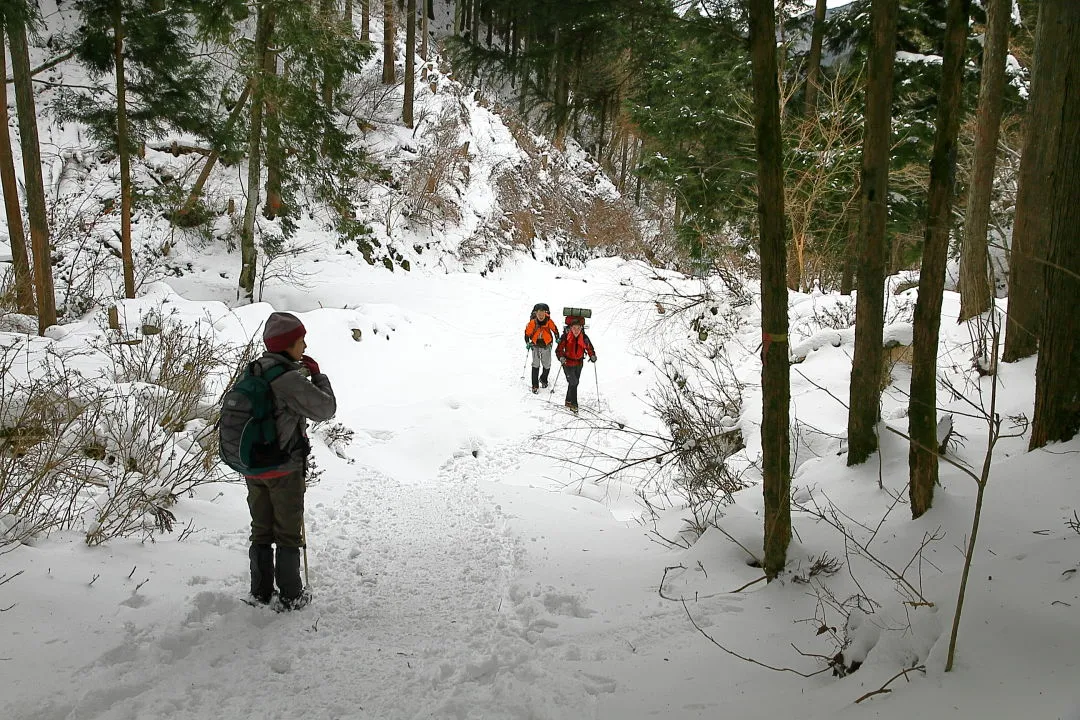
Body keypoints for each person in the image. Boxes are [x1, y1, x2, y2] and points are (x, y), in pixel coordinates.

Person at [246, 312, 336, 610]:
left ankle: (259, 592)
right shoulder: (287, 379)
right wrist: (318, 375)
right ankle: (291, 595)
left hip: (254, 467)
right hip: (284, 467)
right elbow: (325, 409)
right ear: (286, 345)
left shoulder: (254, 371)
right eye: (300, 340)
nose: (305, 345)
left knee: (261, 529)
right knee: (287, 531)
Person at [555, 315, 596, 412]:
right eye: (574, 328)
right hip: (567, 363)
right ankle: (574, 404)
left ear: (581, 328)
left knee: (573, 383)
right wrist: (561, 357)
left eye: (578, 328)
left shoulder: (584, 338)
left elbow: (589, 348)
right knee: (574, 382)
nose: (576, 330)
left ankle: (568, 400)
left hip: (579, 363)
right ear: (570, 328)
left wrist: (592, 356)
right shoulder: (565, 337)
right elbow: (558, 350)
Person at [524, 303, 560, 393]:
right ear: (536, 314)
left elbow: (555, 330)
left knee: (547, 365)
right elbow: (527, 334)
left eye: (542, 313)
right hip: (535, 345)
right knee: (535, 364)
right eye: (539, 313)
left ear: (545, 313)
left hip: (546, 345)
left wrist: (557, 338)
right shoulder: (532, 323)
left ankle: (543, 379)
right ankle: (535, 385)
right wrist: (527, 343)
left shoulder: (549, 321)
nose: (540, 316)